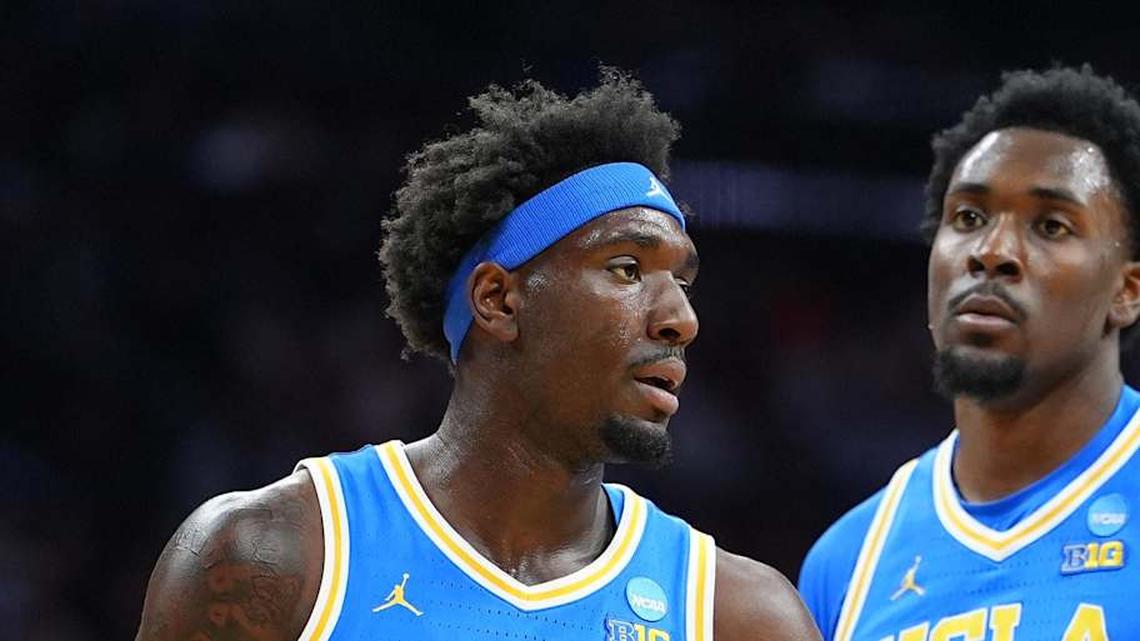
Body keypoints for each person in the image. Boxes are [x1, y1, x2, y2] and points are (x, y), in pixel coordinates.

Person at [134, 70, 820, 641]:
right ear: (499, 300)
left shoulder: (741, 616)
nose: (681, 319)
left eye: (684, 281)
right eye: (625, 268)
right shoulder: (269, 556)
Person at [798, 65, 1140, 641]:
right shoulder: (846, 562)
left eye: (1051, 225)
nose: (992, 251)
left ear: (1127, 292)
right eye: (969, 218)